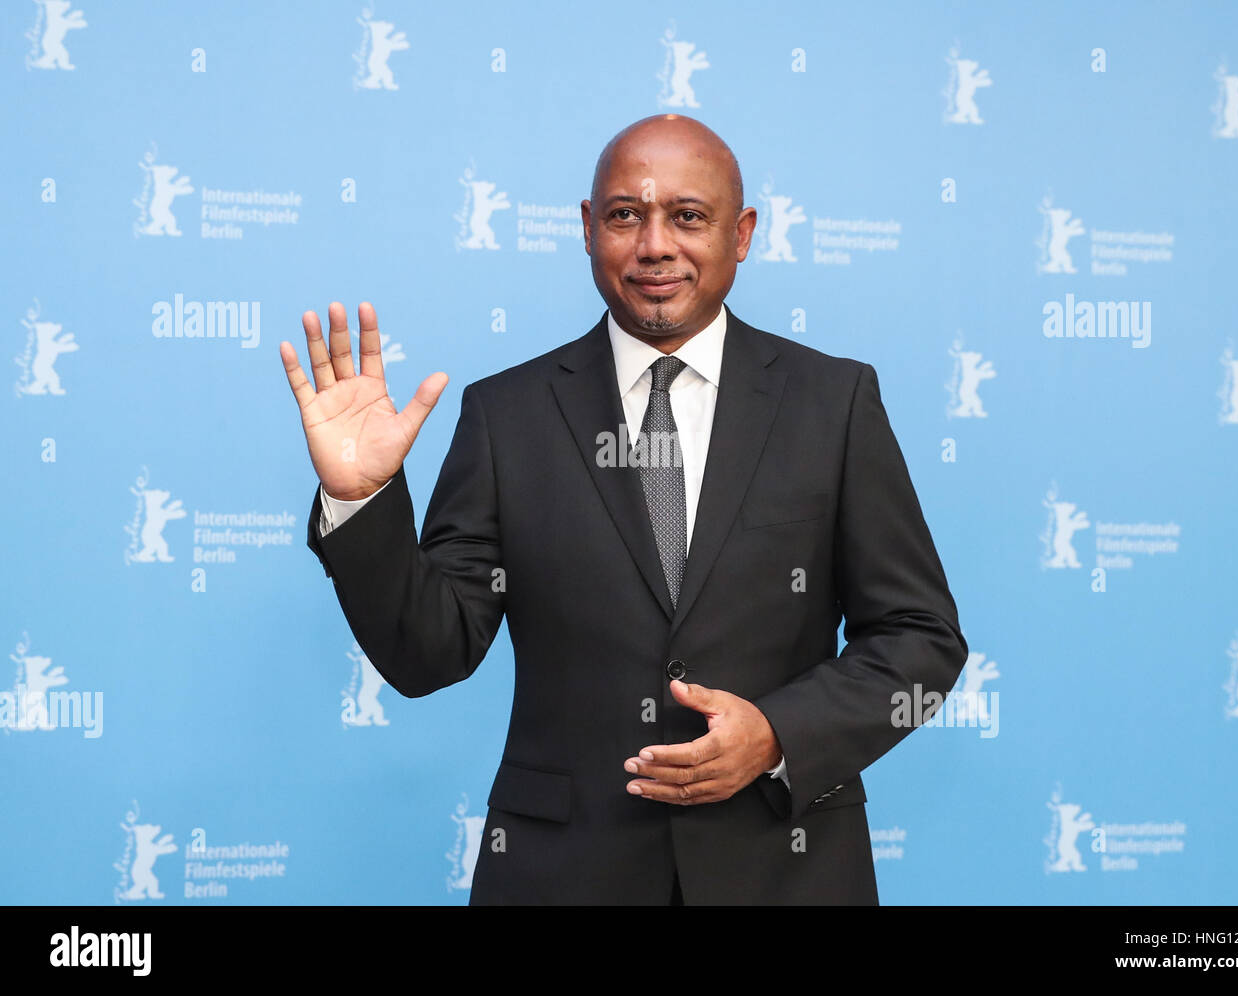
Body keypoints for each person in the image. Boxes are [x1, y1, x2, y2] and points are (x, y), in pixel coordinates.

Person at [279, 113, 967, 905]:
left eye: (688, 216)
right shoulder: (509, 415)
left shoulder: (833, 402)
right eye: (624, 215)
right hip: (563, 878)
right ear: (586, 228)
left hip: (786, 869)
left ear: (742, 234)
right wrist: (359, 499)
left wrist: (779, 735)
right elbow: (428, 654)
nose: (655, 245)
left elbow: (920, 639)